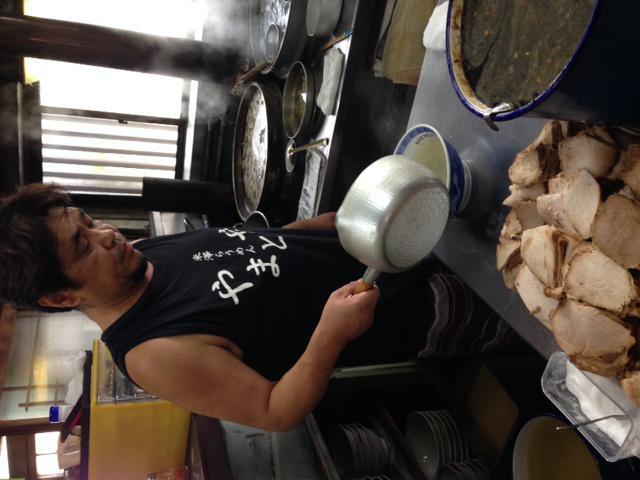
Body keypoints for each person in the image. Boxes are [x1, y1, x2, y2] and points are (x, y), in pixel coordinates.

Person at [0, 183, 433, 431]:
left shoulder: (139, 255)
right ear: (62, 297)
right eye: (83, 245)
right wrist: (330, 334)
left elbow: (246, 251)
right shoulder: (150, 354)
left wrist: (308, 229)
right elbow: (275, 410)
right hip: (413, 307)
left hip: (378, 247)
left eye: (90, 222)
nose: (107, 234)